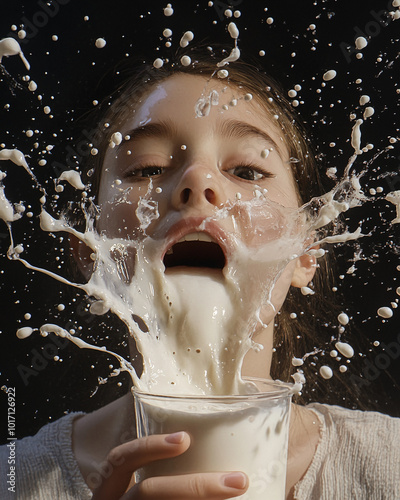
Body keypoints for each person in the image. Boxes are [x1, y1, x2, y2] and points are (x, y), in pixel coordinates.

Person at [1, 47, 399, 500]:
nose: (197, 180)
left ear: (307, 251)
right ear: (89, 246)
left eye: (248, 170)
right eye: (147, 168)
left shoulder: (388, 465)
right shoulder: (17, 479)